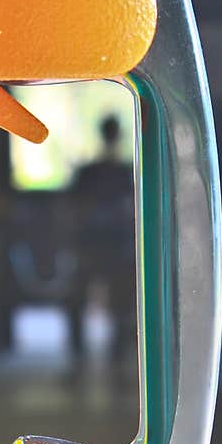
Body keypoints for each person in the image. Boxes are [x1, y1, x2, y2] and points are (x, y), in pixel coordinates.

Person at [66, 114, 136, 368]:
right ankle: (87, 357)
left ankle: (86, 357)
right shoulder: (116, 173)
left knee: (114, 303)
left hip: (104, 244)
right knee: (110, 303)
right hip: (103, 244)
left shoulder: (97, 173)